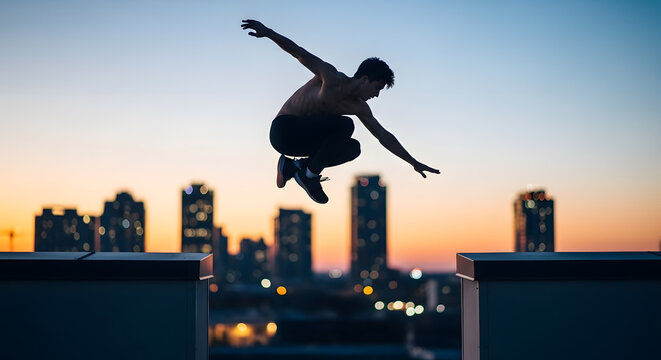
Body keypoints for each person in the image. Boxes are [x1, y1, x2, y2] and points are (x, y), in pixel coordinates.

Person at [241, 19, 440, 204]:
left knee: (353, 148)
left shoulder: (358, 107)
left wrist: (413, 162)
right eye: (377, 88)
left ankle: (296, 168)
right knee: (346, 124)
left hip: (301, 142)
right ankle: (308, 175)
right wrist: (268, 33)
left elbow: (383, 135)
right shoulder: (331, 77)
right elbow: (299, 53)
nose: (376, 95)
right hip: (284, 130)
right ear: (365, 79)